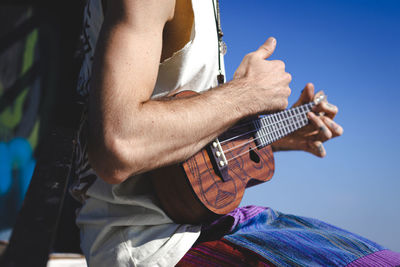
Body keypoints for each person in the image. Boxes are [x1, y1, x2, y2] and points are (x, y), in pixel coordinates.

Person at [71, 0, 400, 266]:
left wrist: (279, 132)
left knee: (380, 260)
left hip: (193, 227)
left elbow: (186, 141)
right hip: (148, 245)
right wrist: (246, 93)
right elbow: (119, 143)